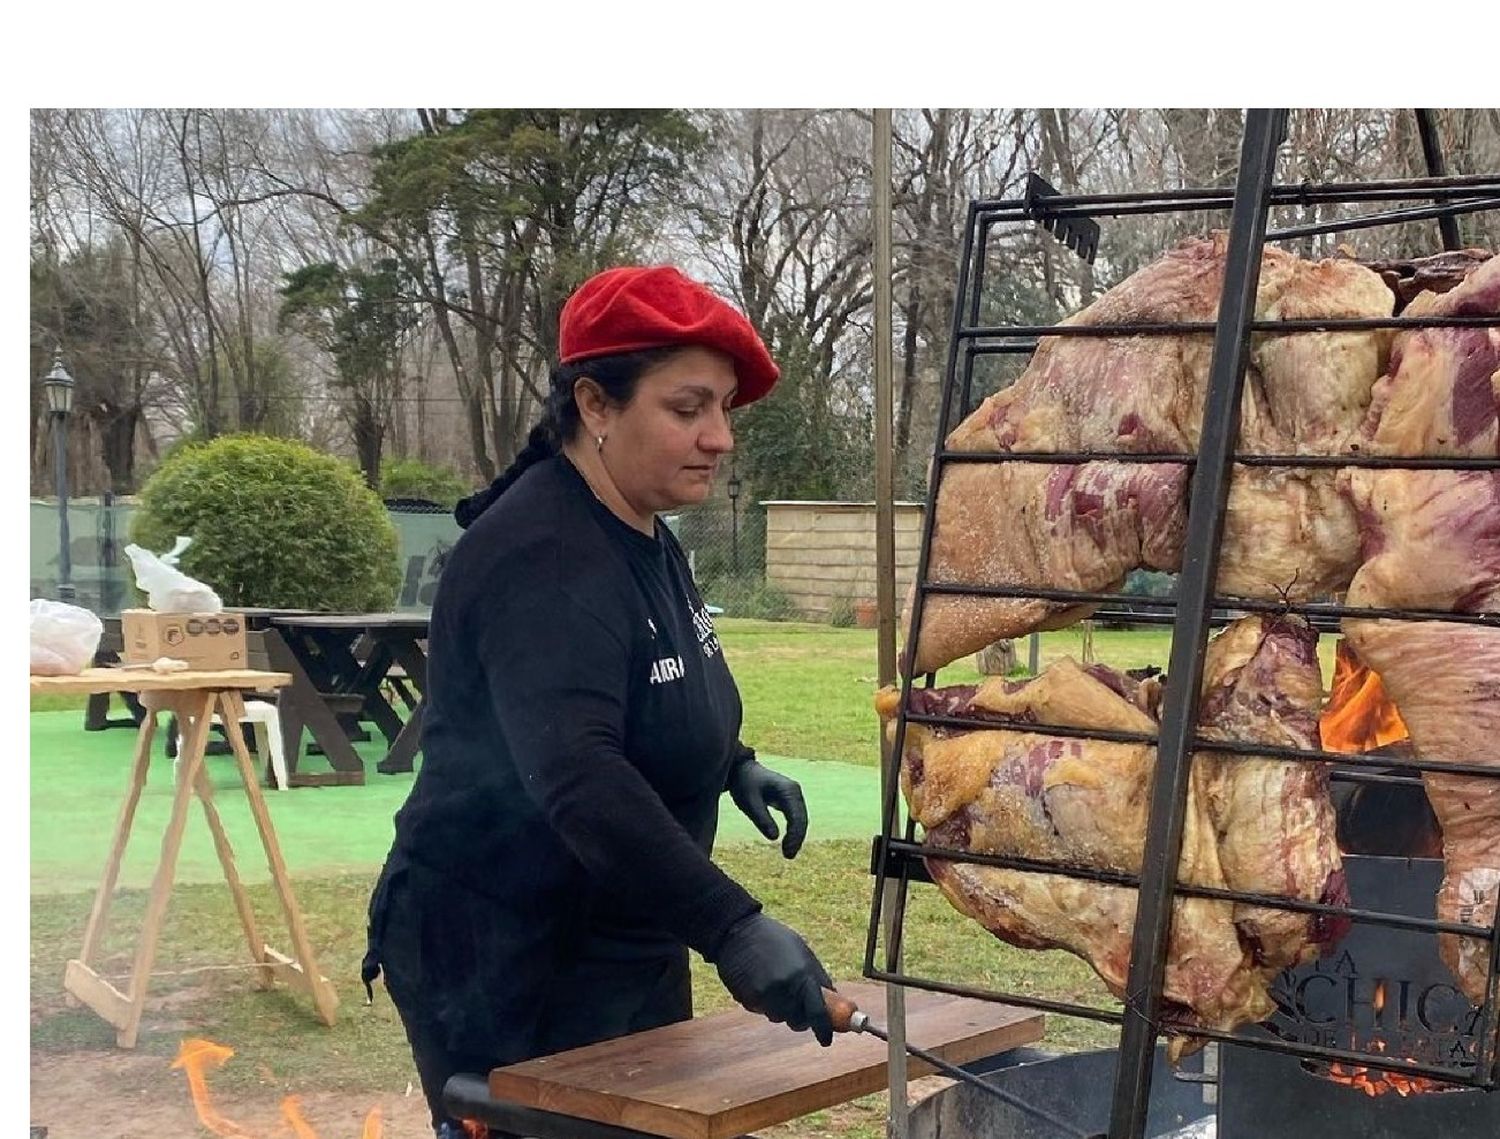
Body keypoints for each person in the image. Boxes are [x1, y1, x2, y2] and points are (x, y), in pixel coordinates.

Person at [362, 265, 838, 1138]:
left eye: (725, 408)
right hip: (509, 952)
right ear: (596, 403)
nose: (720, 436)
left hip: (627, 929)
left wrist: (732, 763)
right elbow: (578, 772)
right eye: (688, 408)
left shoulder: (645, 527)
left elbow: (648, 683)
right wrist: (733, 926)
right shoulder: (540, 554)